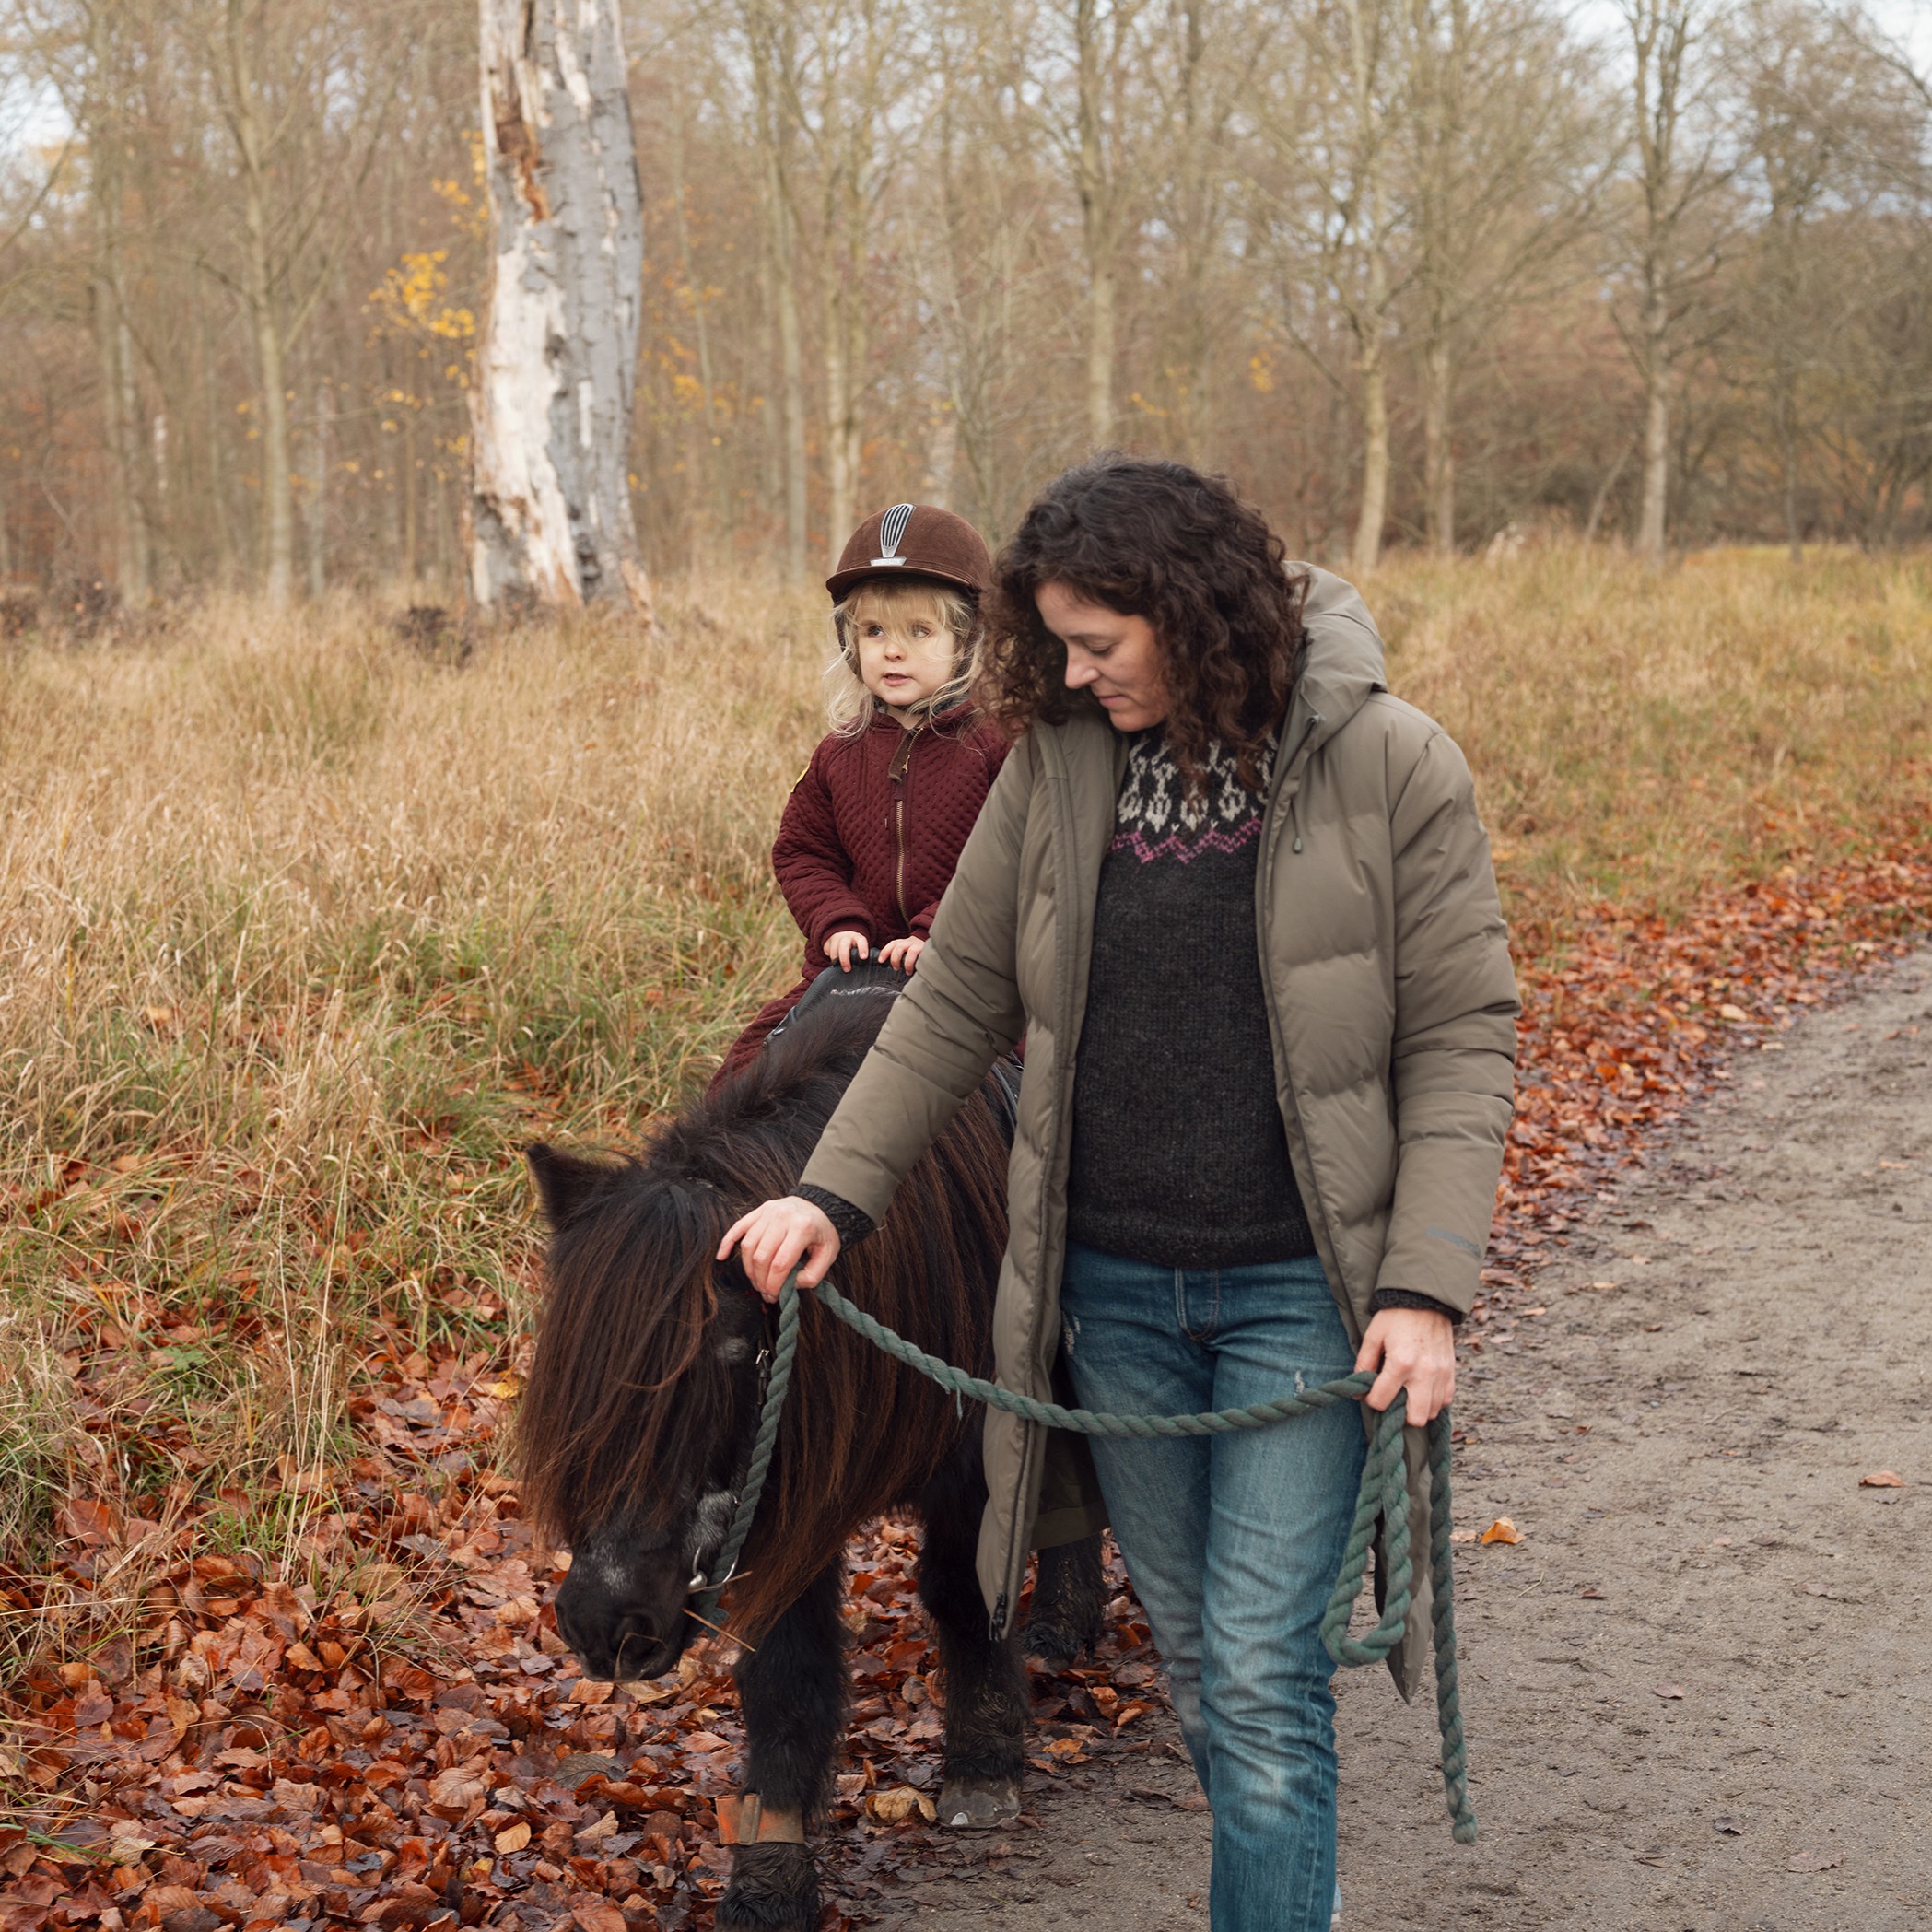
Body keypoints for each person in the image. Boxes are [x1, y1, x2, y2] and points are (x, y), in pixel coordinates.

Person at [720, 456, 1518, 1932]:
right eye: (1058, 648)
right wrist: (833, 1194)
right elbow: (952, 1004)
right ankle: (1292, 1890)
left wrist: (1424, 1288)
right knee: (1209, 1678)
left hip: (1302, 1297)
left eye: (1098, 644)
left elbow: (1464, 1036)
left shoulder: (1393, 763)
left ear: (1192, 613)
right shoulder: (1059, 765)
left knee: (1263, 1679)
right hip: (1116, 1302)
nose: (1073, 675)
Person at [715, 502, 1011, 1083]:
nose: (891, 650)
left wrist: (940, 933)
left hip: (975, 973)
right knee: (741, 1077)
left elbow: (1017, 863)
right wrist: (837, 921)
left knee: (1033, 1099)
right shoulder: (839, 752)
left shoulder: (997, 748)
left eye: (919, 631)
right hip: (854, 971)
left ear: (968, 639)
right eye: (874, 631)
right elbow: (803, 851)